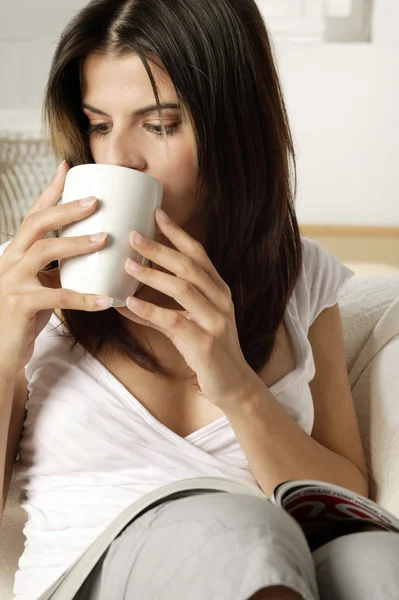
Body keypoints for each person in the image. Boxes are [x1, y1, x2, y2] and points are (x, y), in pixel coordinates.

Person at [1, 1, 398, 599]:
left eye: (159, 125)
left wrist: (236, 384)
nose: (119, 159)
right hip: (91, 573)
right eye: (99, 125)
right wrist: (7, 342)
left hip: (275, 563)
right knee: (238, 528)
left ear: (233, 127)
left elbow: (346, 501)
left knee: (377, 561)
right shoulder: (23, 276)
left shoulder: (295, 274)